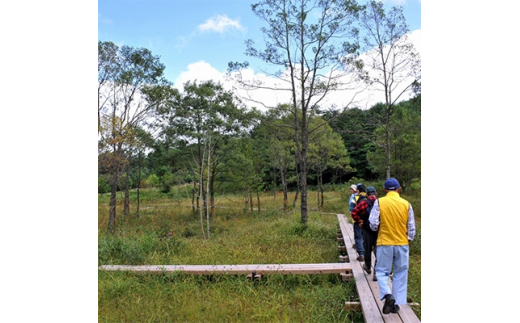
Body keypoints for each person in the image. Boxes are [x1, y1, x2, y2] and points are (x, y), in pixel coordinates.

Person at [369, 178, 415, 315]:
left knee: (382, 271)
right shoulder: (406, 204)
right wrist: (407, 240)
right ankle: (395, 304)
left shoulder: (379, 202)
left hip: (385, 243)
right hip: (402, 243)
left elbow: (372, 223)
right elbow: (411, 228)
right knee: (401, 272)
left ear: (385, 190)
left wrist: (379, 229)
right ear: (399, 189)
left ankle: (387, 295)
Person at [351, 185, 378, 281]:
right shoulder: (380, 203)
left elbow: (354, 212)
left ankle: (367, 266)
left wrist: (359, 222)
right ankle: (376, 273)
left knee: (367, 248)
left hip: (367, 229)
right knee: (378, 250)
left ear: (367, 194)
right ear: (376, 194)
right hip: (379, 231)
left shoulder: (364, 203)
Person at [350, 183, 365, 261]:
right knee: (365, 237)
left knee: (358, 237)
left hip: (357, 221)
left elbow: (351, 207)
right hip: (367, 222)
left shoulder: (355, 197)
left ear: (358, 190)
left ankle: (361, 254)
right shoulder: (369, 197)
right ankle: (367, 254)